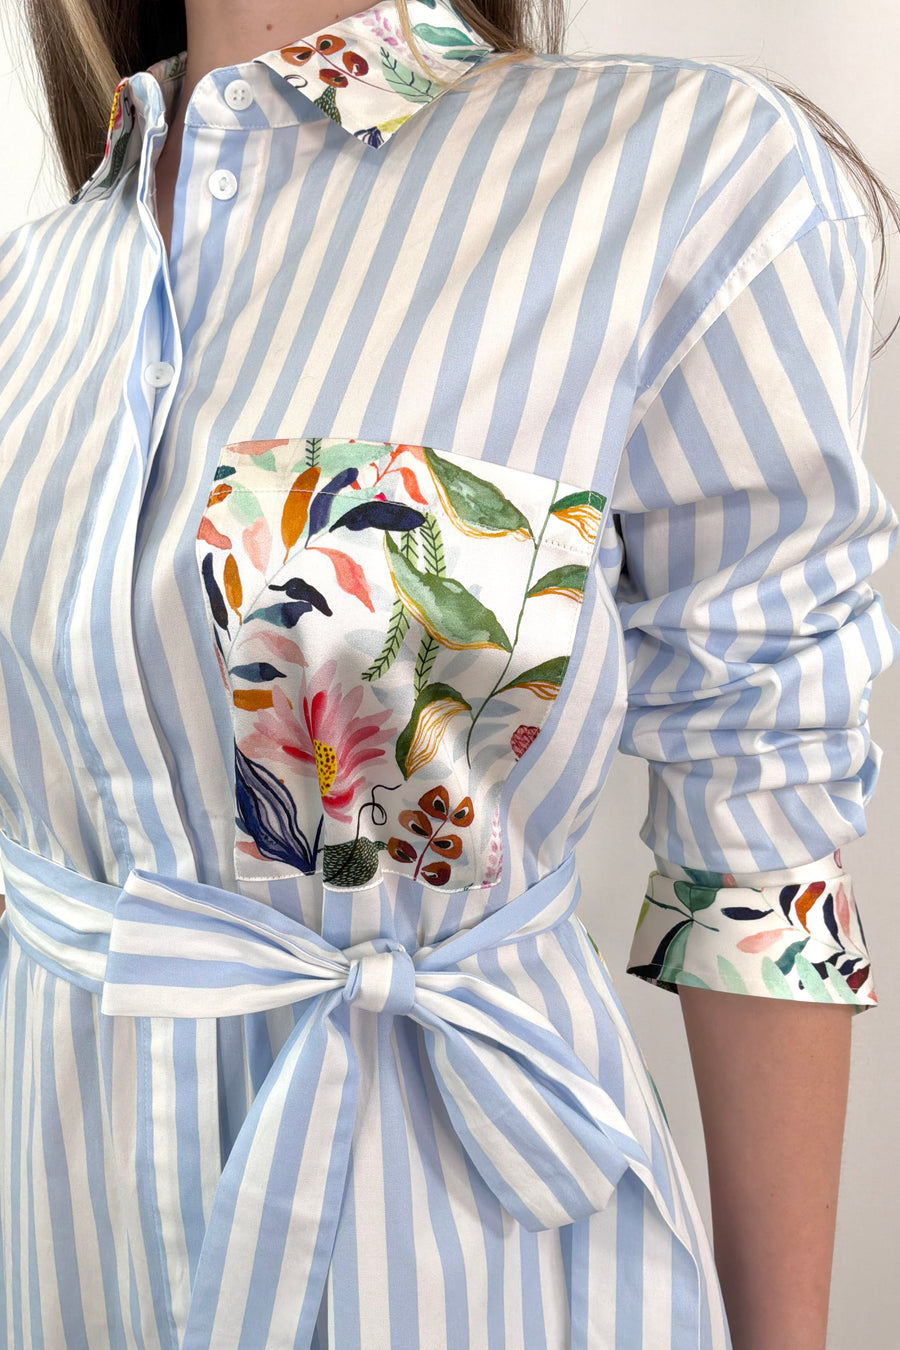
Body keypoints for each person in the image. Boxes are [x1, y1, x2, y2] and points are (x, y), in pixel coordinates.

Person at [1, 0, 898, 1346]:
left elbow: (763, 843)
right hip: (67, 1254)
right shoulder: (32, 289)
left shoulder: (677, 170)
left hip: (471, 1267)